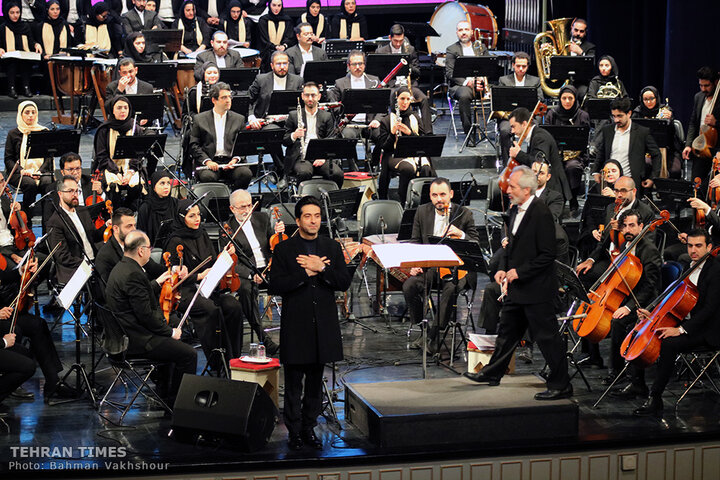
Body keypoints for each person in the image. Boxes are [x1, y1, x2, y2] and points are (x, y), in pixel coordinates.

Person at [464, 166, 570, 399]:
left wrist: (519, 272)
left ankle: (561, 383)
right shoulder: (514, 210)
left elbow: (546, 255)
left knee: (547, 338)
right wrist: (502, 269)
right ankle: (492, 373)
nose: (507, 190)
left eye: (512, 186)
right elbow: (511, 247)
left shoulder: (541, 213)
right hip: (518, 287)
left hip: (538, 288)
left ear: (526, 189)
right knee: (507, 331)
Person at [268, 195, 353, 450]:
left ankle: (308, 427)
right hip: (297, 324)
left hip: (323, 324)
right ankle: (293, 431)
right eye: (308, 216)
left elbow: (343, 282)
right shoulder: (284, 249)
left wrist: (322, 268)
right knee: (293, 383)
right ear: (298, 220)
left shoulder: (331, 247)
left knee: (316, 382)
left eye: (317, 216)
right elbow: (276, 285)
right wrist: (305, 272)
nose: (313, 220)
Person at [633, 229, 720, 417]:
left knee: (668, 344)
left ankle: (655, 398)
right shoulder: (688, 267)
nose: (693, 250)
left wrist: (680, 330)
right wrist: (653, 313)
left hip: (709, 330)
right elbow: (677, 304)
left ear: (709, 247)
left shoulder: (716, 270)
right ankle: (636, 383)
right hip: (691, 324)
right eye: (690, 246)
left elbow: (709, 310)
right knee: (641, 331)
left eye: (698, 246)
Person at [105, 230, 197, 401]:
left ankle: (165, 390)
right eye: (149, 248)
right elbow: (145, 316)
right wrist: (170, 332)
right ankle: (178, 402)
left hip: (123, 334)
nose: (150, 251)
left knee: (175, 344)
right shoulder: (134, 274)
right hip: (137, 340)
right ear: (141, 251)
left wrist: (155, 284)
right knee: (188, 354)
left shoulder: (122, 267)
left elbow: (135, 297)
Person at [575, 208, 661, 383]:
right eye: (625, 226)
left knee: (617, 321)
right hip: (626, 293)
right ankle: (594, 357)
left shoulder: (649, 250)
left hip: (645, 300)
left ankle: (617, 371)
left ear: (641, 226)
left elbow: (650, 286)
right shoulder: (624, 246)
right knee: (594, 312)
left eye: (632, 226)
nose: (628, 230)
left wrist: (628, 307)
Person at [403, 178, 478, 352]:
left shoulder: (464, 213)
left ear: (450, 194)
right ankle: (425, 330)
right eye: (435, 195)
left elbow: (475, 243)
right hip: (432, 266)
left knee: (451, 288)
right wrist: (414, 264)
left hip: (458, 269)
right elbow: (415, 242)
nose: (439, 199)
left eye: (443, 194)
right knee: (409, 286)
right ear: (430, 196)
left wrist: (461, 234)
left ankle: (434, 335)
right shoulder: (422, 211)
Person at [164, 199, 244, 363]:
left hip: (208, 287)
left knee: (233, 306)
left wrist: (225, 257)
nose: (197, 219)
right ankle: (217, 359)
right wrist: (199, 276)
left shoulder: (202, 233)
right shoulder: (175, 241)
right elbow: (172, 275)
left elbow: (212, 261)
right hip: (184, 291)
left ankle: (233, 357)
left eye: (198, 215)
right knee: (210, 309)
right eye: (191, 216)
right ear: (181, 217)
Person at [222, 189, 283, 354]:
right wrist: (251, 274)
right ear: (232, 209)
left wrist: (279, 233)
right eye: (242, 207)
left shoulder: (262, 218)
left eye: (249, 205)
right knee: (246, 289)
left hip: (268, 267)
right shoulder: (228, 229)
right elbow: (232, 263)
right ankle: (263, 337)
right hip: (247, 273)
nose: (247, 210)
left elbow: (273, 246)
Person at [247, 51, 303, 182]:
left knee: (297, 136)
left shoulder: (298, 80)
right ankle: (284, 170)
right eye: (279, 64)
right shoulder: (261, 79)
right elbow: (247, 100)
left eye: (285, 63)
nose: (282, 66)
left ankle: (282, 170)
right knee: (271, 133)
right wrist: (251, 117)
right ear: (272, 65)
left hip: (291, 120)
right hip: (268, 120)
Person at [189, 82, 252, 189]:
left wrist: (235, 160)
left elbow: (243, 146)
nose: (228, 100)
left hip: (231, 162)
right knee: (208, 177)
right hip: (210, 162)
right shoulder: (200, 119)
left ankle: (233, 198)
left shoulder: (239, 119)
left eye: (229, 97)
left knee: (245, 174)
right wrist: (207, 161)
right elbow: (194, 145)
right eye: (223, 97)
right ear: (214, 100)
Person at [591, 97, 662, 193]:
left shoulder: (642, 132)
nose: (616, 120)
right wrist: (595, 171)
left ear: (629, 113)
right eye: (614, 116)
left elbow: (656, 154)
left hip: (631, 182)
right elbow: (601, 152)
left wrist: (652, 178)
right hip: (610, 181)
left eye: (620, 116)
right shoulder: (607, 130)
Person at [377, 87, 432, 204]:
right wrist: (392, 133)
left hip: (413, 153)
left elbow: (423, 141)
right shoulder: (386, 120)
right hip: (393, 154)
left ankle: (423, 201)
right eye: (402, 99)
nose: (405, 102)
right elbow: (384, 147)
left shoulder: (415, 117)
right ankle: (404, 200)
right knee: (407, 168)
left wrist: (409, 133)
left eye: (408, 99)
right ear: (396, 99)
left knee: (426, 167)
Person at [374, 24, 433, 134]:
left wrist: (408, 68)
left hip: (408, 85)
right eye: (395, 40)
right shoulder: (381, 51)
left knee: (424, 99)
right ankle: (394, 132)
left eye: (400, 40)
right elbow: (378, 74)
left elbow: (418, 71)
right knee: (393, 97)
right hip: (392, 86)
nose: (398, 44)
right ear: (390, 37)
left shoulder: (409, 50)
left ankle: (427, 133)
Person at [47, 176, 106, 285]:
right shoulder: (55, 222)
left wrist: (106, 225)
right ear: (60, 194)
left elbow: (94, 236)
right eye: (70, 191)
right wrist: (87, 265)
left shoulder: (82, 211)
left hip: (94, 260)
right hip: (75, 267)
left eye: (76, 191)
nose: (75, 194)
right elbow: (62, 257)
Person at [283, 82, 343, 186]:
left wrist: (323, 157)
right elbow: (285, 140)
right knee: (304, 173)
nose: (310, 98)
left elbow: (331, 139)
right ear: (302, 96)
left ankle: (332, 200)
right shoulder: (294, 115)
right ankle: (303, 199)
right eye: (307, 95)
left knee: (337, 174)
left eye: (313, 95)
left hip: (321, 156)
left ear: (319, 97)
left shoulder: (327, 116)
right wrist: (295, 135)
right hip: (302, 157)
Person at [92, 96, 147, 209]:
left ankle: (130, 211)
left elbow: (139, 154)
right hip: (110, 166)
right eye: (119, 108)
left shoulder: (135, 129)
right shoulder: (104, 130)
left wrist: (130, 172)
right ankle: (116, 212)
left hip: (131, 168)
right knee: (112, 186)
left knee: (136, 186)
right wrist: (116, 172)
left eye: (125, 108)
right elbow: (102, 156)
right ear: (112, 110)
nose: (123, 111)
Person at [508, 107, 572, 203]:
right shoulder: (536, 135)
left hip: (552, 193)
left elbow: (539, 165)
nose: (512, 131)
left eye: (514, 126)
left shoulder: (540, 137)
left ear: (524, 124)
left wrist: (518, 154)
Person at [3, 101, 54, 218]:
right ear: (21, 115)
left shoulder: (44, 131)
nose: (31, 115)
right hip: (19, 173)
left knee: (47, 182)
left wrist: (40, 171)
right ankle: (27, 219)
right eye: (27, 113)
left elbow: (48, 157)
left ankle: (48, 222)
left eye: (33, 112)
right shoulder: (13, 134)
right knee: (29, 183)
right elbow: (8, 159)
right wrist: (22, 171)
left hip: (41, 171)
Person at [545, 84, 591, 210]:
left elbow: (584, 140)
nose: (567, 101)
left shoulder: (582, 115)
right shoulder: (552, 114)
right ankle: (558, 200)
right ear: (560, 98)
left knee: (572, 167)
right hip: (556, 154)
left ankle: (573, 198)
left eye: (570, 98)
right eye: (564, 98)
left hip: (576, 155)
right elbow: (547, 137)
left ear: (575, 99)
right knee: (555, 167)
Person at [497, 52, 543, 165]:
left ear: (528, 66)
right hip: (509, 116)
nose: (521, 69)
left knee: (536, 130)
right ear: (513, 65)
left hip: (529, 116)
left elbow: (540, 100)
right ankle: (507, 163)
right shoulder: (503, 80)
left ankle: (532, 162)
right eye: (518, 66)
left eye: (524, 66)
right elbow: (499, 101)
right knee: (505, 130)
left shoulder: (535, 81)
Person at [445, 21, 488, 143]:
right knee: (464, 95)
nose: (464, 32)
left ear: (471, 32)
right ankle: (469, 133)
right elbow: (450, 73)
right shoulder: (452, 49)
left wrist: (482, 82)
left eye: (466, 29)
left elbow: (489, 67)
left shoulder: (480, 48)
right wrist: (468, 82)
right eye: (460, 30)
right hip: (460, 86)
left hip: (480, 86)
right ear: (457, 33)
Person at [42, 152, 105, 229]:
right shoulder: (52, 189)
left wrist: (101, 193)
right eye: (70, 169)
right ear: (62, 172)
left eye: (78, 168)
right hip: (68, 230)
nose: (75, 173)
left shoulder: (91, 182)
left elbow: (108, 207)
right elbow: (47, 219)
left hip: (91, 226)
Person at [632, 86, 683, 178]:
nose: (648, 102)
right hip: (645, 150)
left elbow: (671, 132)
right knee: (645, 166)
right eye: (645, 99)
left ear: (656, 98)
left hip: (668, 150)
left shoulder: (665, 110)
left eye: (651, 99)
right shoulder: (637, 113)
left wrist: (670, 119)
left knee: (675, 170)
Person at [683, 67, 720, 185]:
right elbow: (693, 123)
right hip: (701, 146)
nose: (703, 89)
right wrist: (688, 145)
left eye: (707, 85)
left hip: (717, 148)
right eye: (701, 85)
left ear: (715, 82)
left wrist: (716, 123)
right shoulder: (698, 97)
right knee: (696, 183)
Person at [0, 2, 43, 98]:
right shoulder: (3, 27)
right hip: (8, 56)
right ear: (7, 13)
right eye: (12, 13)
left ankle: (26, 87)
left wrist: (36, 44)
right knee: (12, 62)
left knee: (25, 62)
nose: (15, 15)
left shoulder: (25, 26)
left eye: (17, 12)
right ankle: (11, 88)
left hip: (23, 55)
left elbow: (31, 42)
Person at [137, 170, 178, 248]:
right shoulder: (145, 207)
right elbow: (141, 235)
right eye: (162, 183)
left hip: (173, 246)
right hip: (151, 249)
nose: (166, 187)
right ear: (154, 187)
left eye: (168, 183)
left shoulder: (175, 203)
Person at [257, 0, 293, 71]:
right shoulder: (263, 20)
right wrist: (274, 47)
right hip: (267, 52)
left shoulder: (287, 20)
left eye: (279, 5)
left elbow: (289, 37)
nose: (276, 8)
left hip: (284, 51)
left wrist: (284, 46)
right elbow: (263, 39)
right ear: (269, 6)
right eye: (274, 5)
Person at [567, 18, 595, 100]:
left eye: (581, 31)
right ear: (571, 28)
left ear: (585, 32)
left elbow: (591, 66)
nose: (578, 34)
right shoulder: (562, 42)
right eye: (576, 30)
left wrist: (581, 53)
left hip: (579, 83)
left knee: (584, 92)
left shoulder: (590, 47)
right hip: (561, 81)